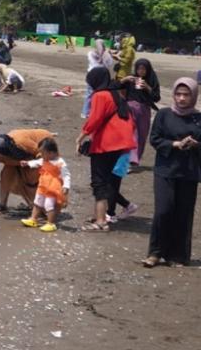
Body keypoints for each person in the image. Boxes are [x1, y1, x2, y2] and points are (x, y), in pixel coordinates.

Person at [143, 78, 201, 267]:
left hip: (189, 172)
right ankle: (155, 253)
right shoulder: (164, 114)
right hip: (165, 170)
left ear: (194, 96)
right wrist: (174, 144)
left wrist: (196, 145)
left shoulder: (198, 118)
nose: (182, 98)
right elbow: (155, 139)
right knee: (163, 210)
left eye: (186, 95)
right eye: (178, 94)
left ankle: (177, 255)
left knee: (183, 213)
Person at [76, 66, 137, 232]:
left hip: (106, 144)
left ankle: (101, 221)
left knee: (99, 182)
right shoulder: (117, 94)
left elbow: (95, 119)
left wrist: (80, 137)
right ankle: (101, 215)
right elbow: (130, 121)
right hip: (122, 144)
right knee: (108, 180)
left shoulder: (100, 95)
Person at [19, 138, 70, 233]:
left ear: (51, 153)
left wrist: (66, 186)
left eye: (42, 153)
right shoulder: (44, 160)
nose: (41, 155)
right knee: (37, 202)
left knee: (48, 205)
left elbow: (66, 175)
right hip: (43, 186)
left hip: (53, 188)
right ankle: (33, 219)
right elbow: (37, 162)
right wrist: (27, 163)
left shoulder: (60, 163)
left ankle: (51, 223)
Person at [122, 58, 160, 166]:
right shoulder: (131, 79)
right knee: (132, 133)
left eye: (143, 69)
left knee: (142, 135)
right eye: (139, 69)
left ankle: (134, 159)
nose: (141, 71)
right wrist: (124, 80)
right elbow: (115, 87)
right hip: (130, 109)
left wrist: (148, 87)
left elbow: (157, 97)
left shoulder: (152, 80)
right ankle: (129, 159)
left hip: (144, 111)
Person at [82, 39, 114, 118]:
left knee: (89, 94)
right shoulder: (106, 55)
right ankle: (94, 112)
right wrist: (108, 54)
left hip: (91, 75)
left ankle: (85, 112)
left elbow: (93, 62)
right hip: (101, 77)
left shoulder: (90, 53)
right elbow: (109, 64)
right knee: (98, 95)